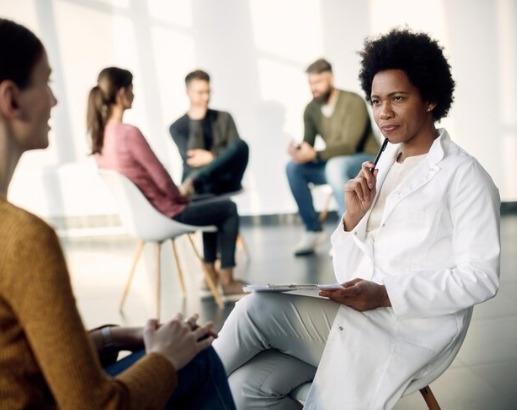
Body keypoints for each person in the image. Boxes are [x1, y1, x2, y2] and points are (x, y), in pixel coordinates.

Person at [0, 16, 236, 410]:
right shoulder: (18, 238)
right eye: (46, 82)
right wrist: (165, 358)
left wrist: (113, 337)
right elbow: (96, 406)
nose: (55, 100)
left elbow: (4, 356)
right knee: (197, 358)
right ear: (10, 99)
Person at [213, 28, 500, 409]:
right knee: (245, 387)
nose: (384, 112)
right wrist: (351, 221)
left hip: (410, 329)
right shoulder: (384, 165)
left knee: (257, 310)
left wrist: (386, 294)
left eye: (398, 98)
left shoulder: (465, 176)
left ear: (430, 97)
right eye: (377, 100)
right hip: (359, 314)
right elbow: (350, 268)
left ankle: (169, 388)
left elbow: (481, 279)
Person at [89, 67, 247, 298]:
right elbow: (160, 177)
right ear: (122, 93)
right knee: (228, 208)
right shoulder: (129, 133)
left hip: (146, 214)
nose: (134, 94)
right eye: (131, 88)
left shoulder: (101, 136)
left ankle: (211, 275)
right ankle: (227, 280)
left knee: (212, 201)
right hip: (166, 211)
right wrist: (181, 196)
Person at [287, 58, 381, 256]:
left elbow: (349, 145)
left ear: (331, 79)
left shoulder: (352, 101)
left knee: (334, 166)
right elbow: (309, 143)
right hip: (334, 164)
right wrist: (300, 151)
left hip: (363, 159)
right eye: (311, 83)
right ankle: (312, 230)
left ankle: (347, 230)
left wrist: (315, 154)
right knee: (293, 168)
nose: (315, 88)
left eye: (319, 82)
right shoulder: (311, 109)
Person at [169, 69, 249, 196]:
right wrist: (196, 121)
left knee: (241, 145)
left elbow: (234, 153)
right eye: (200, 93)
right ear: (188, 92)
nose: (206, 97)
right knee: (199, 180)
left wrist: (212, 156)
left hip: (224, 178)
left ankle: (198, 180)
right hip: (199, 182)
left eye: (208, 92)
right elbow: (193, 159)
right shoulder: (177, 127)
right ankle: (198, 181)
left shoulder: (224, 117)